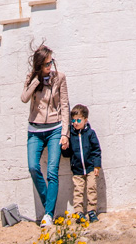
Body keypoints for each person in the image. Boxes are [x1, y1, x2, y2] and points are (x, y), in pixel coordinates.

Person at [21, 44, 70, 226]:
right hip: (35, 130)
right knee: (33, 168)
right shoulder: (32, 78)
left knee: (52, 172)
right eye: (46, 63)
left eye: (51, 62)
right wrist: (37, 80)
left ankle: (48, 214)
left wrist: (65, 133)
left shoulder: (60, 78)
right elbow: (24, 98)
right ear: (39, 65)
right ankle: (49, 206)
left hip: (55, 129)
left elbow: (64, 105)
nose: (50, 66)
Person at [61, 104, 102, 223]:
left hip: (90, 168)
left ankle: (92, 211)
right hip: (77, 169)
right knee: (78, 191)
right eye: (73, 120)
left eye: (78, 120)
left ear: (85, 120)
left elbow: (96, 150)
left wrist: (97, 165)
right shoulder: (71, 135)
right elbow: (67, 154)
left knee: (91, 188)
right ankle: (79, 212)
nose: (76, 123)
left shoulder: (90, 133)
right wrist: (64, 147)